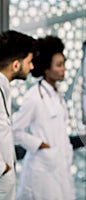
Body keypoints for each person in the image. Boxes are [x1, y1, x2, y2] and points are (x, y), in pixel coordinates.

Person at [13, 36, 75, 199]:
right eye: (59, 65)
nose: (64, 69)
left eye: (64, 64)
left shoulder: (58, 95)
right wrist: (40, 144)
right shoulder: (34, 97)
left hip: (59, 166)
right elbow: (15, 131)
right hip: (42, 167)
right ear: (46, 69)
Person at [0, 30, 36, 200]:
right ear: (16, 65)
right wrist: (3, 168)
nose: (32, 67)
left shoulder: (4, 89)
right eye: (29, 62)